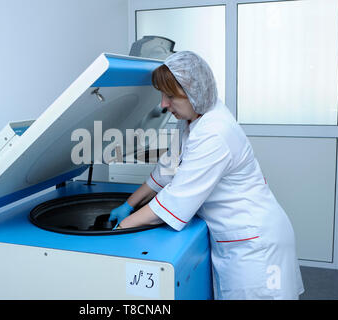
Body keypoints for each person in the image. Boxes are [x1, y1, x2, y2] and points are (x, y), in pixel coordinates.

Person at [109, 51, 304, 300]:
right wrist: (128, 204)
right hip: (236, 239)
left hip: (254, 246)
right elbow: (166, 170)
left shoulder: (215, 132)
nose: (163, 105)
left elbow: (176, 200)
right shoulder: (193, 119)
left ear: (194, 92)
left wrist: (121, 228)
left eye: (170, 96)